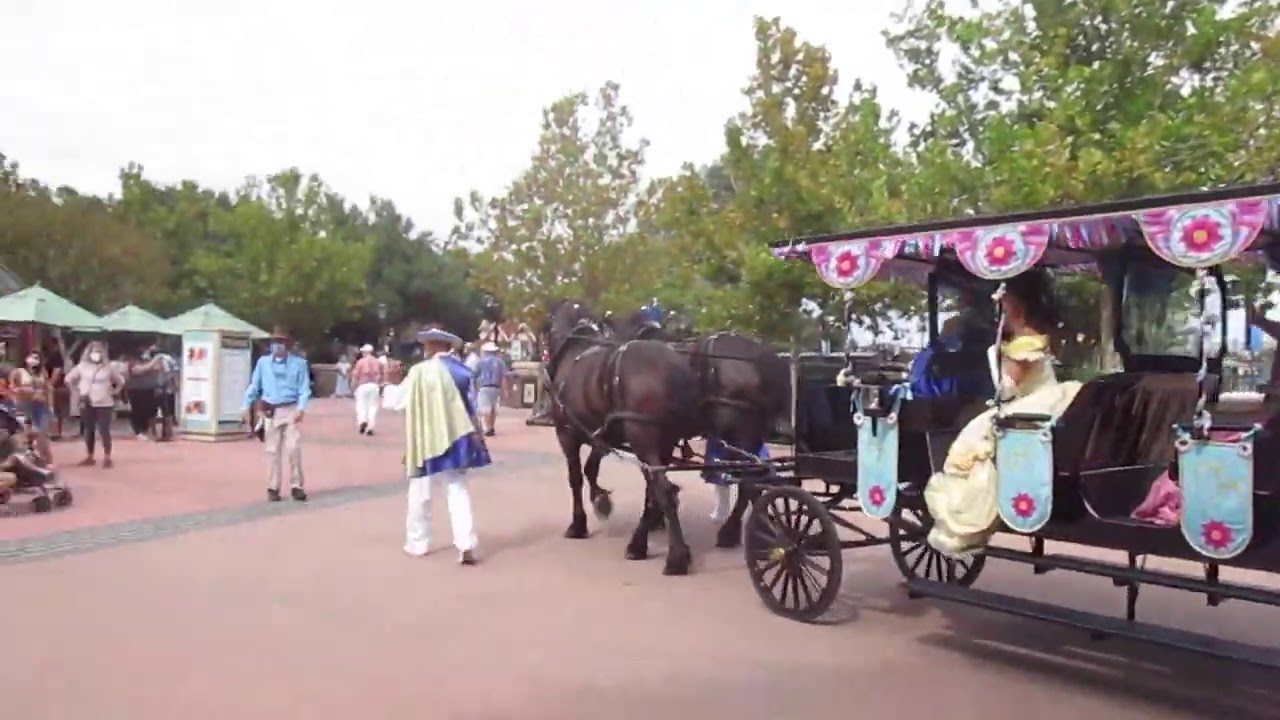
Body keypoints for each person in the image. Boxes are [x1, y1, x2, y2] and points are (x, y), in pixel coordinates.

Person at [923, 270, 1083, 557]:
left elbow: (1007, 388)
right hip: (1038, 399)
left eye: (1004, 302)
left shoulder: (1026, 340)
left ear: (1016, 304)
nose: (999, 307)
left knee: (975, 437)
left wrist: (996, 369)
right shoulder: (1027, 335)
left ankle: (976, 507)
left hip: (1033, 402)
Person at [396, 326, 491, 565]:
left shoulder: (419, 372)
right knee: (457, 489)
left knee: (420, 491)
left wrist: (388, 387)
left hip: (425, 438)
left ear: (432, 346)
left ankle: (418, 542)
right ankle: (465, 543)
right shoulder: (463, 371)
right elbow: (473, 407)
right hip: (457, 435)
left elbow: (399, 402)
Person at [241, 325, 312, 502]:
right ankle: (273, 487)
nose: (277, 345)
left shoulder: (299, 364)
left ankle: (297, 485)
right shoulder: (263, 363)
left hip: (290, 408)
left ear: (287, 344)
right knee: (271, 450)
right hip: (270, 409)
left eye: (281, 342)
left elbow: (304, 388)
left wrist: (301, 408)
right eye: (274, 342)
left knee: (293, 448)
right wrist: (245, 405)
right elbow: (254, 386)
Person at [64, 341, 125, 468]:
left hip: (104, 402)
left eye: (99, 351)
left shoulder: (108, 367)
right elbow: (68, 379)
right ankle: (90, 456)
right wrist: (75, 392)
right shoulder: (82, 366)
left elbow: (120, 381)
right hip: (87, 400)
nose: (96, 354)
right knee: (88, 429)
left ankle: (107, 457)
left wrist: (115, 391)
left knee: (104, 430)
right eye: (94, 351)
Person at [9, 349, 53, 435]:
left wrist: (51, 404)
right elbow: (12, 387)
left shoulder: (42, 372)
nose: (34, 360)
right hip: (25, 403)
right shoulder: (18, 371)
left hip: (41, 403)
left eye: (36, 358)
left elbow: (49, 387)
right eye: (32, 357)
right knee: (27, 429)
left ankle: (40, 441)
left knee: (41, 429)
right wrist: (20, 390)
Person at [125, 346, 164, 441]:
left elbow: (159, 369)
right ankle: (138, 431)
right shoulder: (133, 362)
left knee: (150, 411)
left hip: (150, 389)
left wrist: (154, 364)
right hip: (137, 390)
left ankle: (147, 430)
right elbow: (138, 370)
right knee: (138, 411)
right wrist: (153, 362)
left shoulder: (151, 361)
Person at [473, 342, 508, 437]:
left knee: (486, 409)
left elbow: (474, 376)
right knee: (493, 408)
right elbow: (503, 377)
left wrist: (474, 389)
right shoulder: (500, 362)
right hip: (496, 387)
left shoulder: (480, 362)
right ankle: (491, 426)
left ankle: (488, 428)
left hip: (484, 387)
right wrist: (505, 390)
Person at [350, 344, 383, 436]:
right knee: (372, 406)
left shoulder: (360, 362)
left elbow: (355, 375)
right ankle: (370, 427)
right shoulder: (378, 362)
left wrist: (353, 385)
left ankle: (362, 421)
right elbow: (381, 374)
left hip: (362, 385)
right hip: (374, 385)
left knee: (361, 405)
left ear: (365, 352)